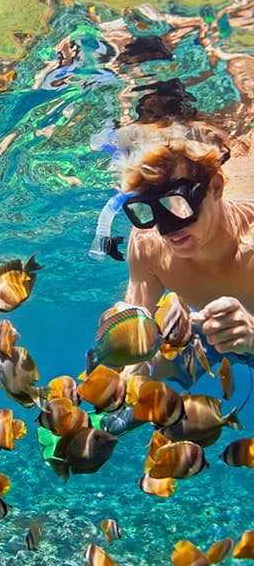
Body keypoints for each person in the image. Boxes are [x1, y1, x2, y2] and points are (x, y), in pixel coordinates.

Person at [114, 119, 254, 387]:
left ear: (215, 187)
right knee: (134, 401)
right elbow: (138, 352)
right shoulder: (146, 243)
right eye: (147, 210)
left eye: (179, 204)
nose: (166, 230)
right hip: (207, 338)